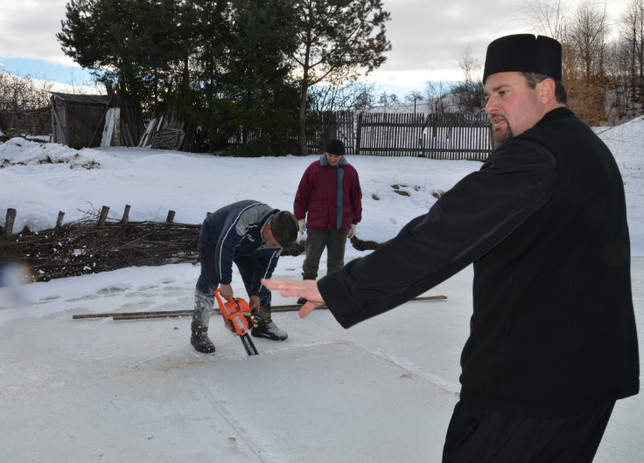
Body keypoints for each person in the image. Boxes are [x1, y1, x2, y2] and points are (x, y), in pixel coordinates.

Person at [264, 34, 639, 462]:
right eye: (486, 95)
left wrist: (339, 288)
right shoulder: (589, 148)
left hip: (529, 387)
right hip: (586, 381)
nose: (490, 106)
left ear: (546, 89)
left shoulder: (537, 156)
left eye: (503, 91)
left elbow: (441, 236)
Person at [190, 200, 298, 354]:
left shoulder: (277, 241)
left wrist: (256, 294)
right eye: (277, 242)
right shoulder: (248, 217)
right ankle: (198, 332)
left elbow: (266, 268)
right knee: (211, 280)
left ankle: (262, 323)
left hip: (248, 247)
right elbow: (225, 246)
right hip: (216, 238)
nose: (277, 246)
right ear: (269, 227)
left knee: (260, 282)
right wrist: (225, 282)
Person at [293, 139, 362, 298]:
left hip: (340, 224)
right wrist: (300, 217)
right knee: (311, 259)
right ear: (325, 153)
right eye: (330, 155)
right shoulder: (314, 169)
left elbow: (355, 198)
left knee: (336, 263)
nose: (332, 159)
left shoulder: (350, 172)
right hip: (318, 224)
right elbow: (302, 195)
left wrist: (354, 221)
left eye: (336, 156)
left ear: (342, 156)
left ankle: (334, 293)